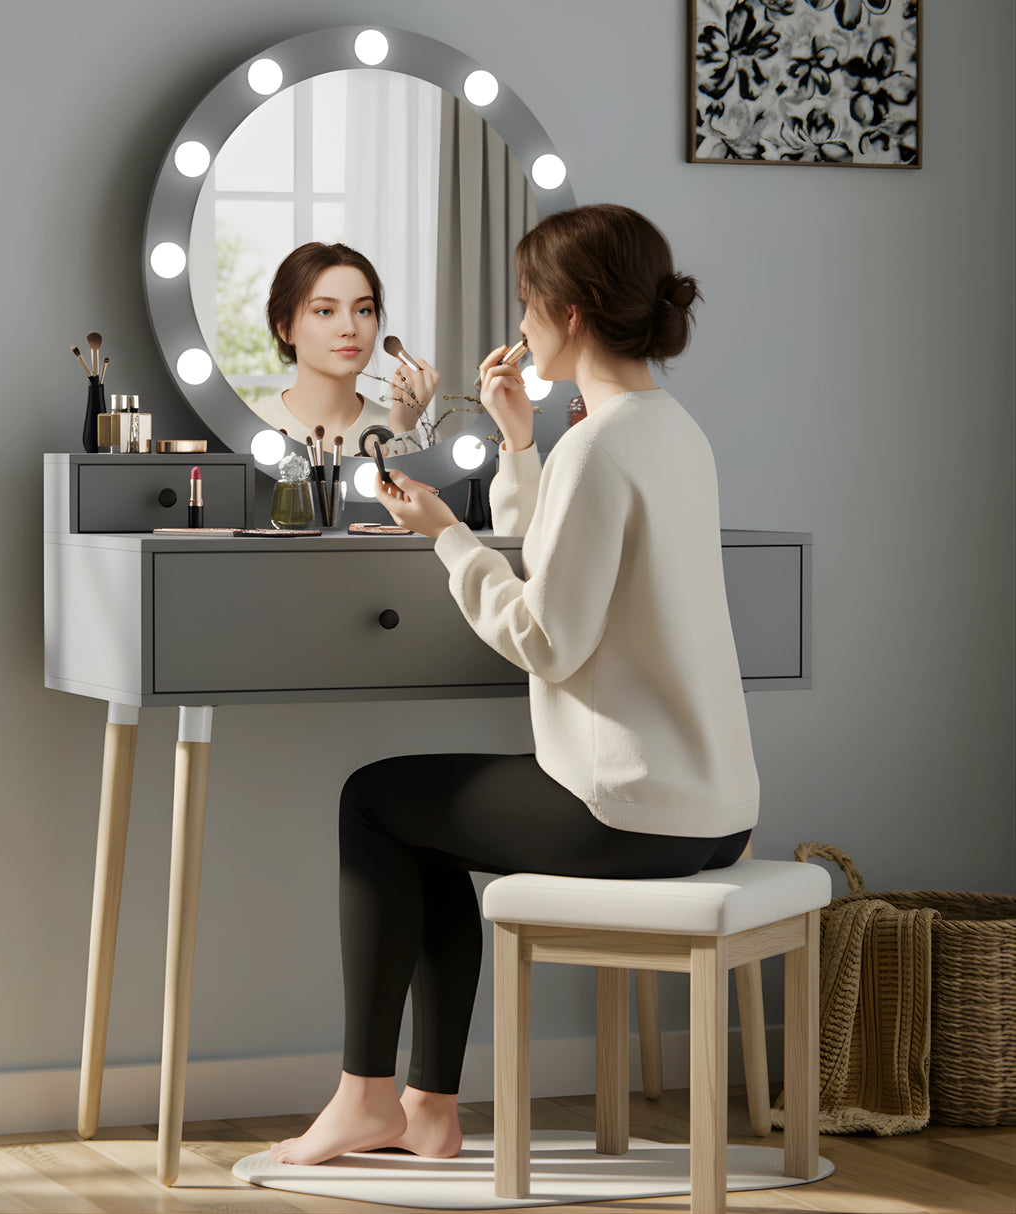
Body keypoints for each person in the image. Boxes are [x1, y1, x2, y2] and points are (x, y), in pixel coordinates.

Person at [269, 204, 759, 1167]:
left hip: (623, 810)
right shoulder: (665, 430)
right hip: (717, 805)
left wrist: (444, 537)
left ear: (571, 313)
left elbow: (545, 637)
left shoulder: (602, 446)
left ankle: (368, 1096)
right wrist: (519, 443)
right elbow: (562, 555)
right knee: (428, 816)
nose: (521, 322)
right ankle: (427, 1111)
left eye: (529, 302)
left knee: (374, 800)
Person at [248, 242, 440, 455]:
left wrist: (402, 428)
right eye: (325, 311)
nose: (350, 328)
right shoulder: (249, 425)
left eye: (364, 310)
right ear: (286, 330)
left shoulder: (415, 434)